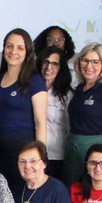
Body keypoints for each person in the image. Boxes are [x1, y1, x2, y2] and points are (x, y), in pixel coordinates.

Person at [0, 29, 48, 182]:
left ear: (27, 52)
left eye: (20, 48)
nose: (13, 51)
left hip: (24, 154)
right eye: (9, 46)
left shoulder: (35, 80)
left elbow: (41, 123)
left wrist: (38, 158)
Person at [64, 43, 102, 186]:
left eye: (95, 62)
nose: (89, 66)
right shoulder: (79, 89)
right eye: (85, 60)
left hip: (95, 151)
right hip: (73, 150)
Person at [39, 47, 72, 179]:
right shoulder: (31, 89)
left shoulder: (68, 95)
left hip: (57, 154)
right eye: (46, 62)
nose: (49, 67)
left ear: (61, 67)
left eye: (54, 64)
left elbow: (70, 128)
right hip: (33, 152)